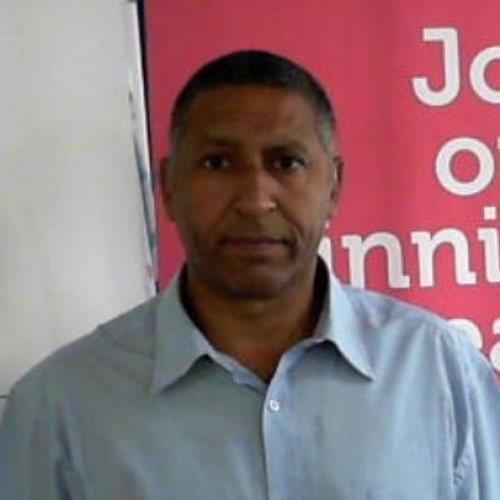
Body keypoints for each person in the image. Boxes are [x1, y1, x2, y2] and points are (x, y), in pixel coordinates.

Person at [0, 50, 498, 500]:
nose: (256, 199)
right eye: (218, 163)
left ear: (334, 186)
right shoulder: (60, 407)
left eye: (287, 162)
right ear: (169, 187)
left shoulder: (438, 371)